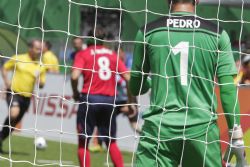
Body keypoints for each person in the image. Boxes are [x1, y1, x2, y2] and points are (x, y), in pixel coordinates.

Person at [129, 0, 247, 166]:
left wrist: (152, 82)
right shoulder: (217, 33)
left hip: (159, 129)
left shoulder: (148, 31)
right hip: (202, 130)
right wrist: (236, 135)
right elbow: (227, 89)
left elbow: (136, 87)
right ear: (197, 0)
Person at [71, 28, 130, 167]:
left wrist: (75, 92)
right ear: (105, 40)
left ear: (89, 39)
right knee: (111, 142)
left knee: (83, 141)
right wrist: (131, 100)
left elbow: (74, 76)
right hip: (110, 101)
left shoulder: (83, 54)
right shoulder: (112, 55)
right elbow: (128, 77)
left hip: (90, 99)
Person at [89, 47, 140, 153]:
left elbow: (129, 83)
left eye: (119, 53)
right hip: (115, 101)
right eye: (115, 53)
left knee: (135, 126)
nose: (117, 56)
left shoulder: (129, 65)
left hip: (129, 99)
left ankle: (151, 138)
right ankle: (97, 144)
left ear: (123, 54)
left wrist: (129, 103)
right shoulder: (111, 66)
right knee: (102, 121)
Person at [0, 40, 46, 153]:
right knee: (14, 113)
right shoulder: (18, 58)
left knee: (14, 123)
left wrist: (39, 80)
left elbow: (42, 84)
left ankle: (0, 139)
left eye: (40, 49)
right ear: (30, 48)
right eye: (37, 48)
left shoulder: (41, 65)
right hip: (14, 93)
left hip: (27, 98)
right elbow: (5, 68)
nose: (39, 51)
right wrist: (6, 81)